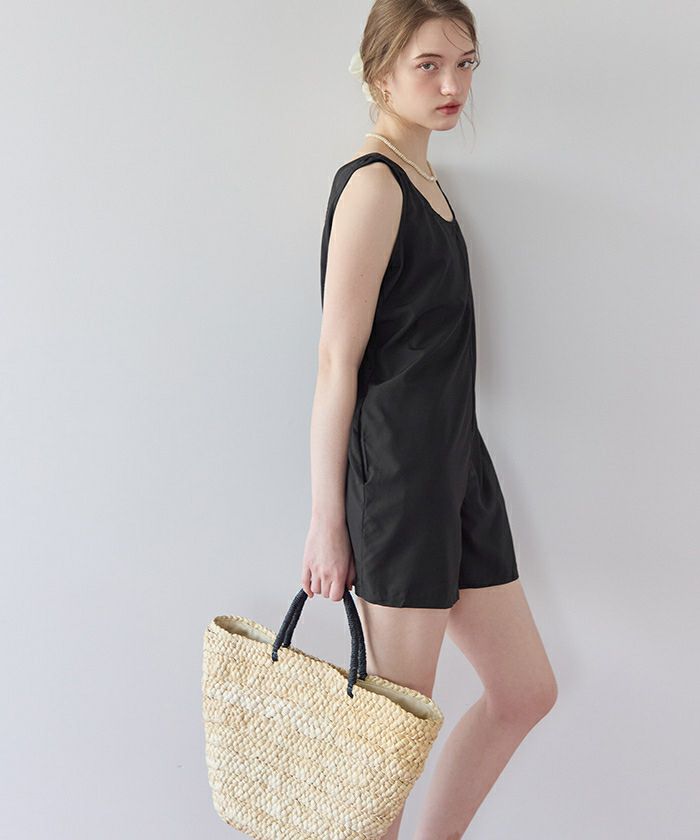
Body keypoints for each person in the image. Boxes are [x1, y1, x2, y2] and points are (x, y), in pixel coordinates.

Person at [302, 3, 558, 837]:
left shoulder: (425, 183)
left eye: (466, 63)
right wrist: (327, 523)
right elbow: (335, 363)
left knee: (525, 692)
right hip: (401, 486)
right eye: (429, 65)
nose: (454, 84)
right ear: (380, 73)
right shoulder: (374, 185)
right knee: (391, 745)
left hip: (457, 468)